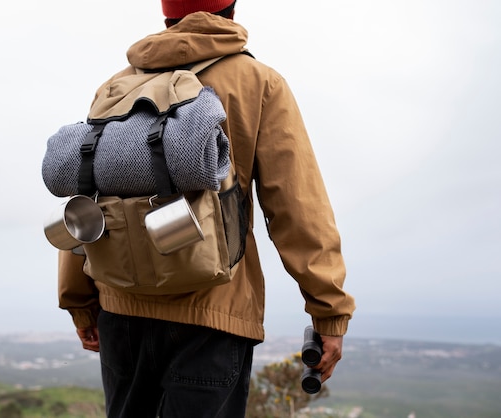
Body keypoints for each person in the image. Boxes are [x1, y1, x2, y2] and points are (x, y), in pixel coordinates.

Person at [56, 1, 356, 416]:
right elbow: (297, 207)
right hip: (217, 312)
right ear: (230, 10)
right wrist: (329, 313)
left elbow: (86, 200)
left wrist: (79, 299)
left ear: (167, 16)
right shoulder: (258, 82)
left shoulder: (117, 87)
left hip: (121, 309)